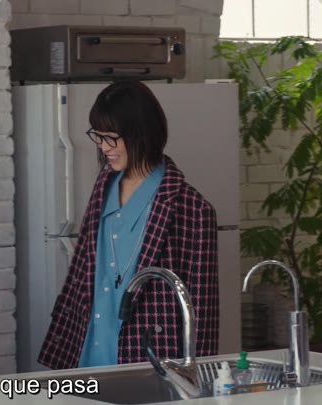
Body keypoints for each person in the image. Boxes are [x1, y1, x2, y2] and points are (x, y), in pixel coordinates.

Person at [38, 80, 219, 369]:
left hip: (148, 360)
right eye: (98, 136)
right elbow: (84, 269)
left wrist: (195, 376)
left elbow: (202, 313)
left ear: (142, 133)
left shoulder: (192, 209)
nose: (102, 146)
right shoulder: (105, 183)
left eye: (111, 137)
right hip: (86, 351)